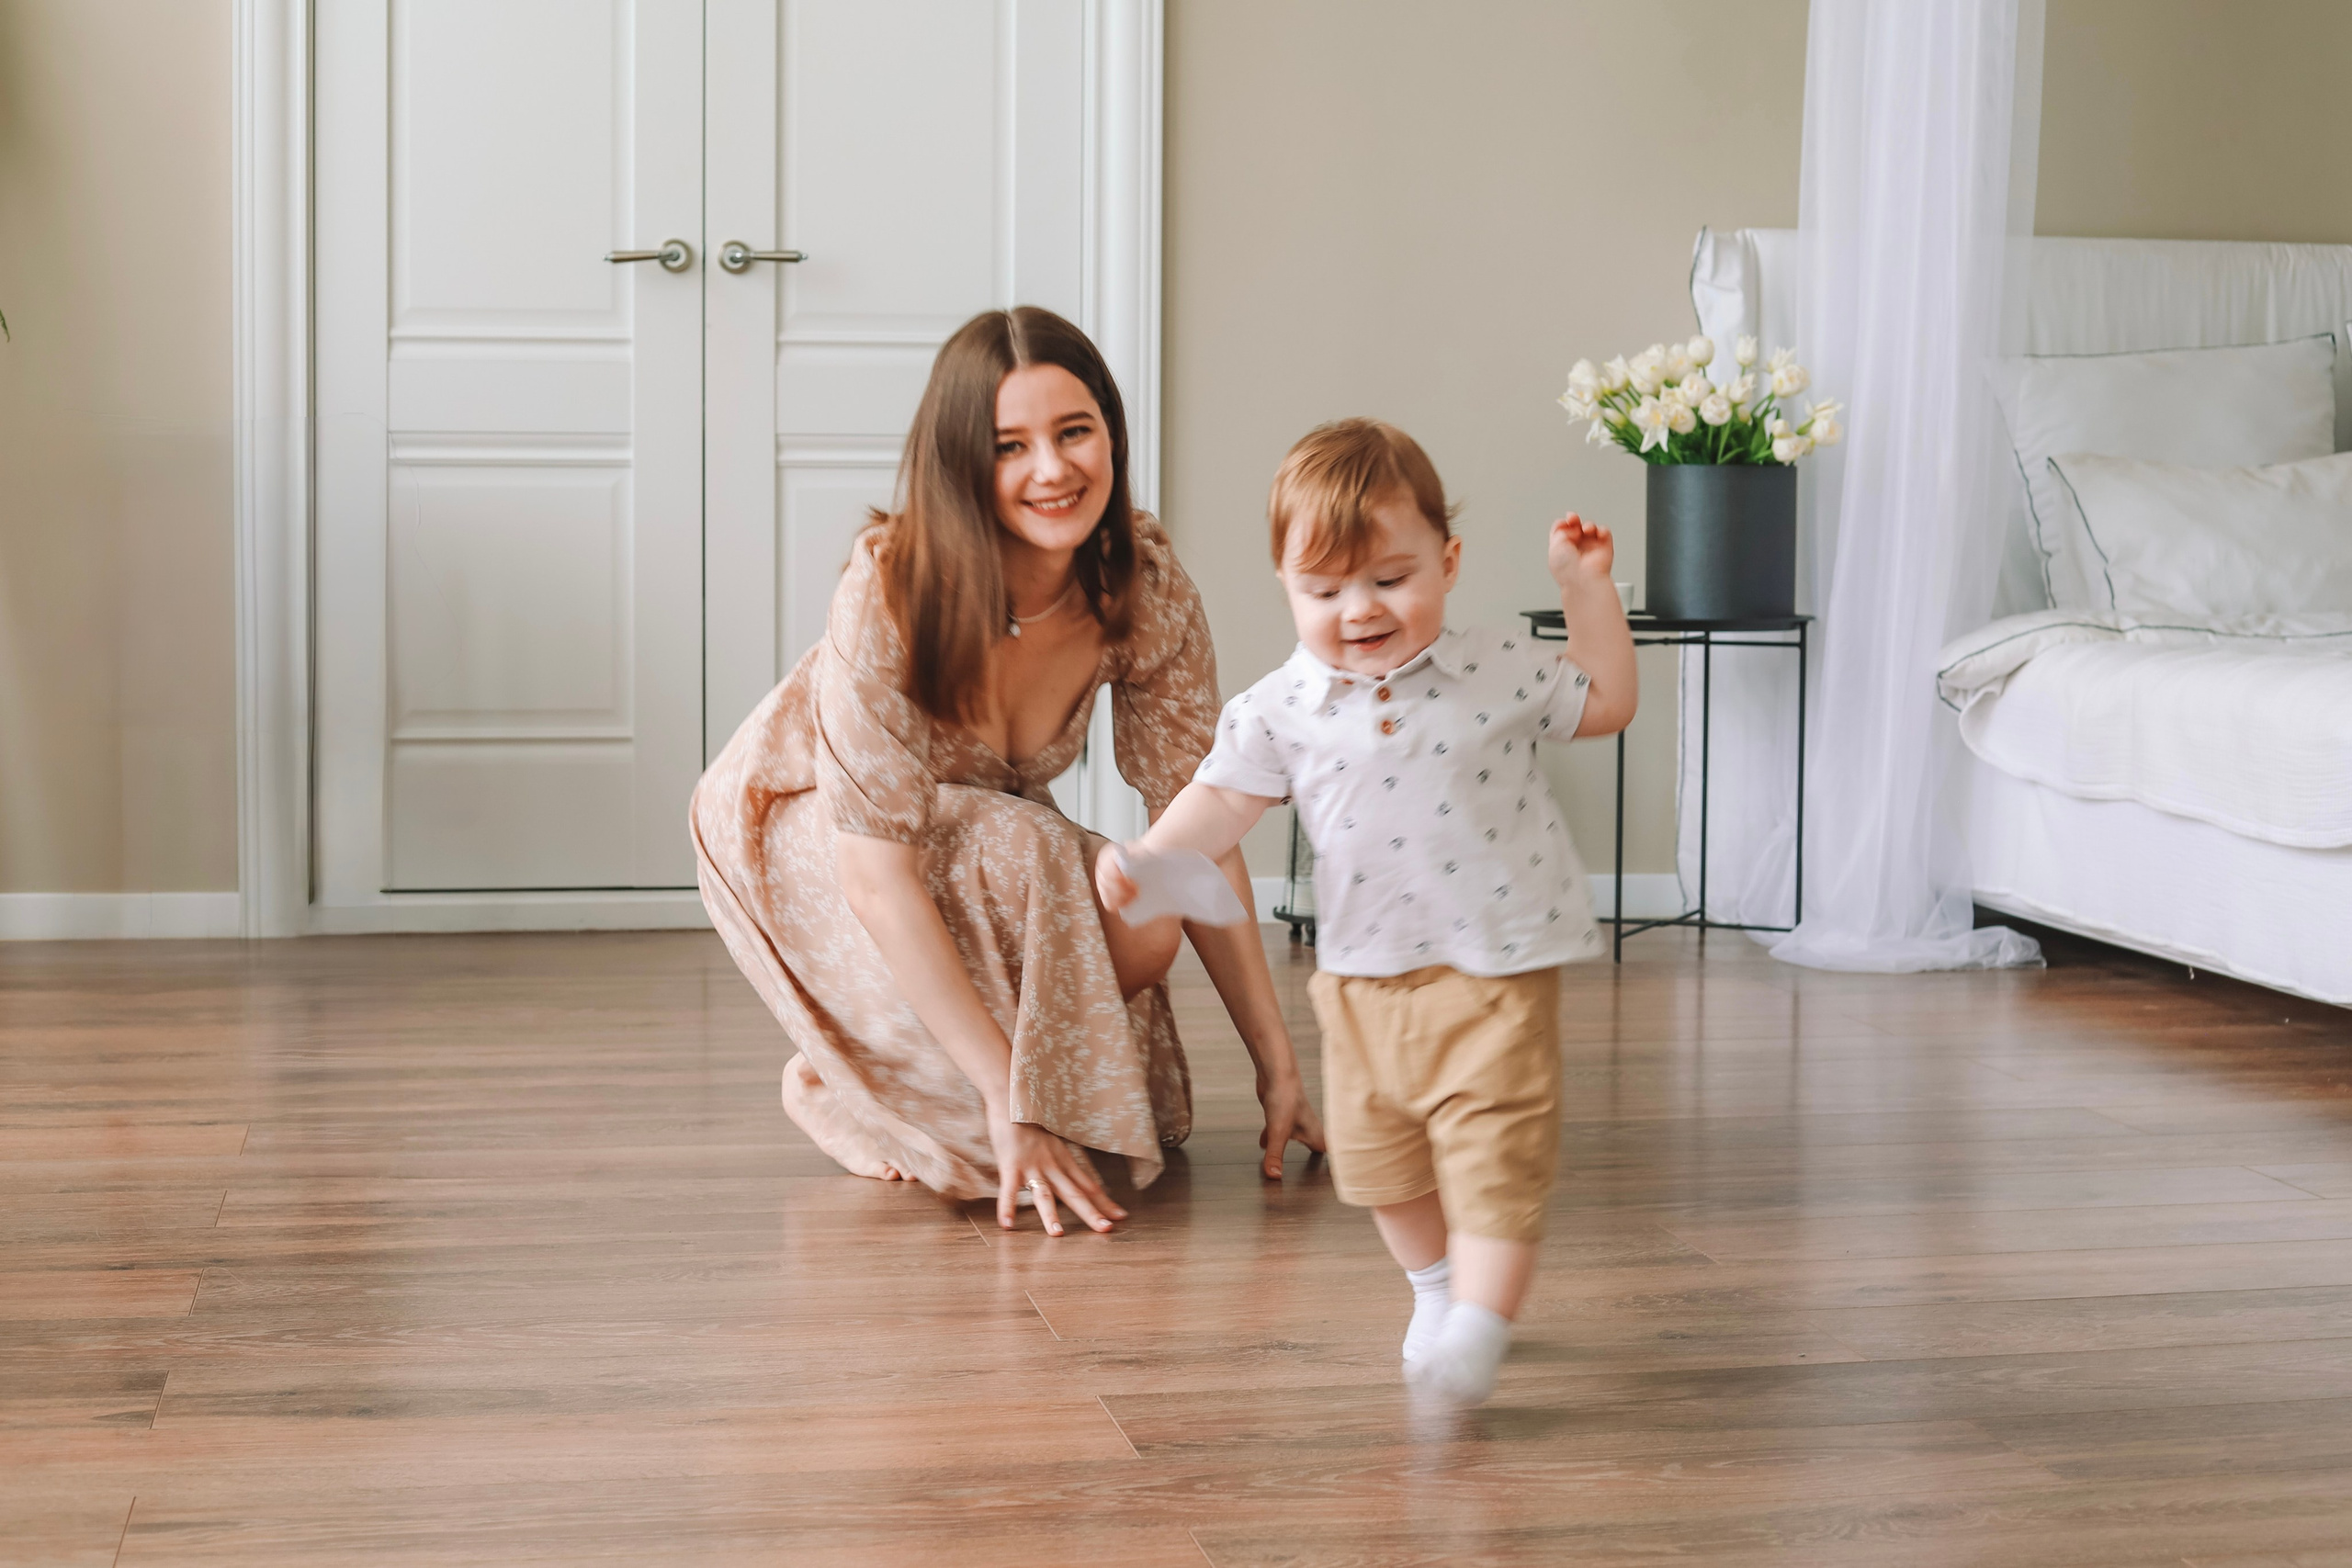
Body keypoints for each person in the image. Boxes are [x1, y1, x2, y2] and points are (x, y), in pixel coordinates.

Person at [691, 307, 1323, 1236]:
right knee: (1011, 1128)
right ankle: (844, 1082)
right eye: (1008, 446)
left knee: (1142, 912)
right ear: (960, 466)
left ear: (1110, 432)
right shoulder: (892, 588)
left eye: (1075, 432)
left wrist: (1277, 1063)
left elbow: (1204, 824)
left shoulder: (1142, 582)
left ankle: (898, 1067)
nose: (1053, 469)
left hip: (976, 841)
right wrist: (1007, 1096)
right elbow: (876, 879)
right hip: (803, 832)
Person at [1097, 418, 1634, 1402]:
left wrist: (1585, 591)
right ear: (1287, 588)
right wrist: (1149, 858)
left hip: (1497, 968)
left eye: (1390, 578)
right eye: (1324, 589)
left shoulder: (1497, 667)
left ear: (1448, 561)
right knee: (1382, 1165)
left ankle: (1481, 1320)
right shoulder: (1280, 706)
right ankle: (1434, 1289)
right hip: (1361, 978)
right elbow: (1221, 800)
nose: (1359, 610)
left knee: (1494, 1153)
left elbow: (1601, 703)